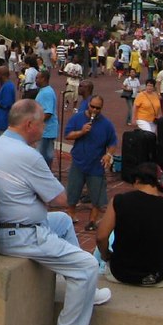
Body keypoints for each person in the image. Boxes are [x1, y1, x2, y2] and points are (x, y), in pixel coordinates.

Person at [0, 99, 110, 325]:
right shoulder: (28, 155)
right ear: (29, 125)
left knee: (62, 221)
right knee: (86, 266)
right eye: (43, 123)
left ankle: (88, 293)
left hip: (4, 227)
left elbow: (52, 204)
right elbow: (61, 199)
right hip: (21, 234)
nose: (45, 128)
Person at [96, 163, 163, 287]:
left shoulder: (119, 201)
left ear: (137, 180)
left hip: (120, 273)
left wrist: (106, 256)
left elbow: (101, 237)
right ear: (158, 184)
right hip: (158, 276)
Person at [64, 95, 117, 232]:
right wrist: (81, 132)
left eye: (97, 108)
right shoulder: (77, 118)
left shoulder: (106, 124)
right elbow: (68, 135)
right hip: (78, 161)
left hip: (96, 165)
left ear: (101, 108)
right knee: (73, 191)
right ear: (88, 105)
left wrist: (108, 154)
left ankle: (92, 221)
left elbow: (112, 143)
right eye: (92, 106)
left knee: (97, 196)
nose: (94, 110)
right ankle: (71, 214)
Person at [34, 69, 58, 166]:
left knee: (43, 156)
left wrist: (35, 123)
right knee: (43, 155)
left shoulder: (46, 93)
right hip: (45, 131)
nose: (36, 80)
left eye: (37, 78)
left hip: (47, 131)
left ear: (43, 79)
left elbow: (48, 113)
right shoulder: (43, 91)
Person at [0, 66, 15, 138]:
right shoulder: (4, 85)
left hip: (4, 120)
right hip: (0, 121)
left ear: (1, 75)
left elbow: (7, 103)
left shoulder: (8, 86)